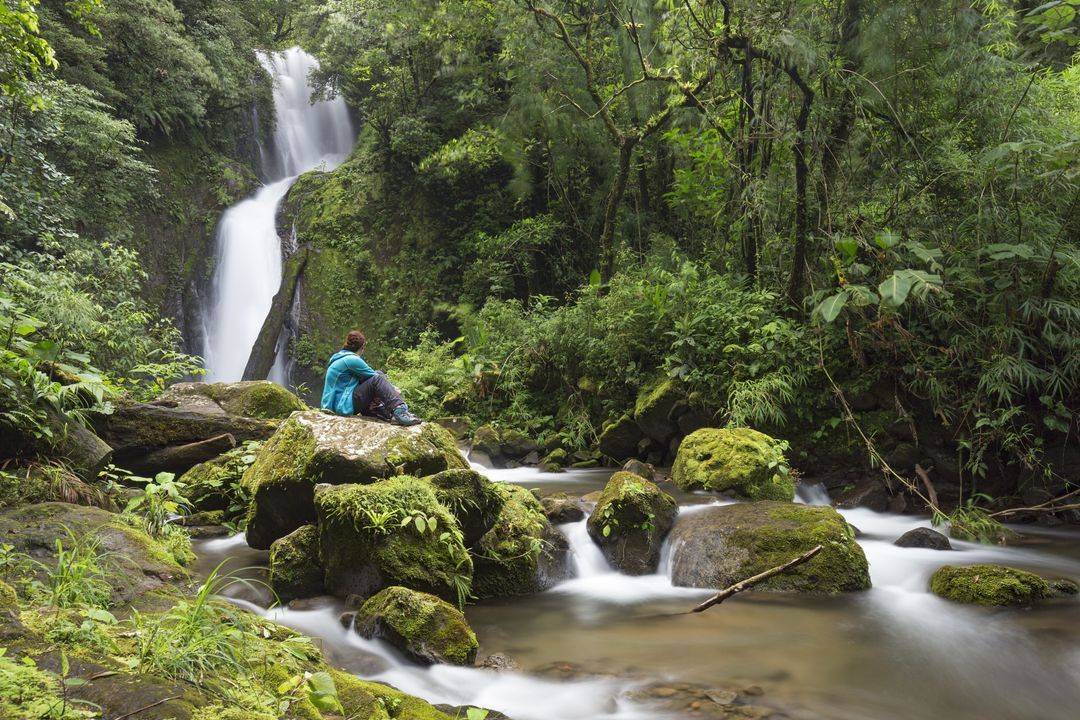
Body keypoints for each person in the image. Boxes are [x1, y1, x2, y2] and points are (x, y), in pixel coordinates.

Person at [320, 330, 421, 426]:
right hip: (342, 406)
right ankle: (400, 411)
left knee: (377, 374)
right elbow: (375, 379)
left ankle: (380, 412)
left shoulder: (339, 357)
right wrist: (394, 389)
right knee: (377, 379)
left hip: (335, 404)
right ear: (362, 347)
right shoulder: (351, 360)